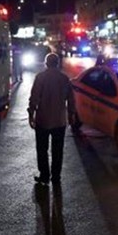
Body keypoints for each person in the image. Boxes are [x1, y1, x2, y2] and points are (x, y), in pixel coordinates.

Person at [28, 52, 77, 186]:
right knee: (58, 150)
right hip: (59, 120)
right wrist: (71, 115)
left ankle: (44, 175)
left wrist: (31, 113)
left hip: (43, 119)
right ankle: (56, 177)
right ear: (57, 63)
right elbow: (71, 100)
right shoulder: (64, 78)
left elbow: (34, 98)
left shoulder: (40, 77)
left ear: (46, 63)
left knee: (42, 149)